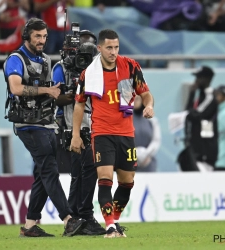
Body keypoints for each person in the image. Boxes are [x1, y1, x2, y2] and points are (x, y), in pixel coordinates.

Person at [3, 17, 85, 237]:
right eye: (37, 36)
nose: (41, 40)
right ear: (27, 36)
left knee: (41, 173)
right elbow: (16, 88)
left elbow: (52, 95)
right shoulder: (15, 59)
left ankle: (30, 226)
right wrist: (47, 92)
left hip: (48, 123)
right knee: (49, 168)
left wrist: (71, 97)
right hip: (27, 124)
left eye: (45, 36)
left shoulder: (47, 60)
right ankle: (68, 218)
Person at [70, 29, 154, 238]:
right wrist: (76, 135)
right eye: (109, 47)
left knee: (127, 181)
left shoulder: (131, 66)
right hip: (102, 132)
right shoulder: (89, 73)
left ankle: (114, 221)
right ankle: (108, 226)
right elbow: (79, 105)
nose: (113, 52)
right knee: (105, 177)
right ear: (99, 48)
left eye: (116, 47)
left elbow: (145, 93)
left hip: (126, 133)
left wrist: (149, 106)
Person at [51, 29, 106, 235]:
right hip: (73, 127)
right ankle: (84, 215)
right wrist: (77, 93)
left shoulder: (99, 69)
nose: (85, 52)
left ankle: (77, 217)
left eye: (90, 47)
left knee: (83, 173)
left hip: (96, 125)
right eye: (81, 46)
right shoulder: (62, 68)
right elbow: (55, 97)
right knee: (82, 173)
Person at [179, 66, 218, 171]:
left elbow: (196, 115)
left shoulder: (211, 96)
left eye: (199, 78)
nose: (196, 81)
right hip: (195, 146)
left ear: (207, 79)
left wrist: (190, 113)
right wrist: (191, 94)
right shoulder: (199, 95)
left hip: (205, 149)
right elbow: (188, 112)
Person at [133, 95, 161, 172]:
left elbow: (156, 141)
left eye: (137, 99)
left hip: (148, 163)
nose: (134, 101)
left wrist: (146, 153)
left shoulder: (152, 121)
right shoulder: (126, 119)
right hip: (130, 163)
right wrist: (134, 154)